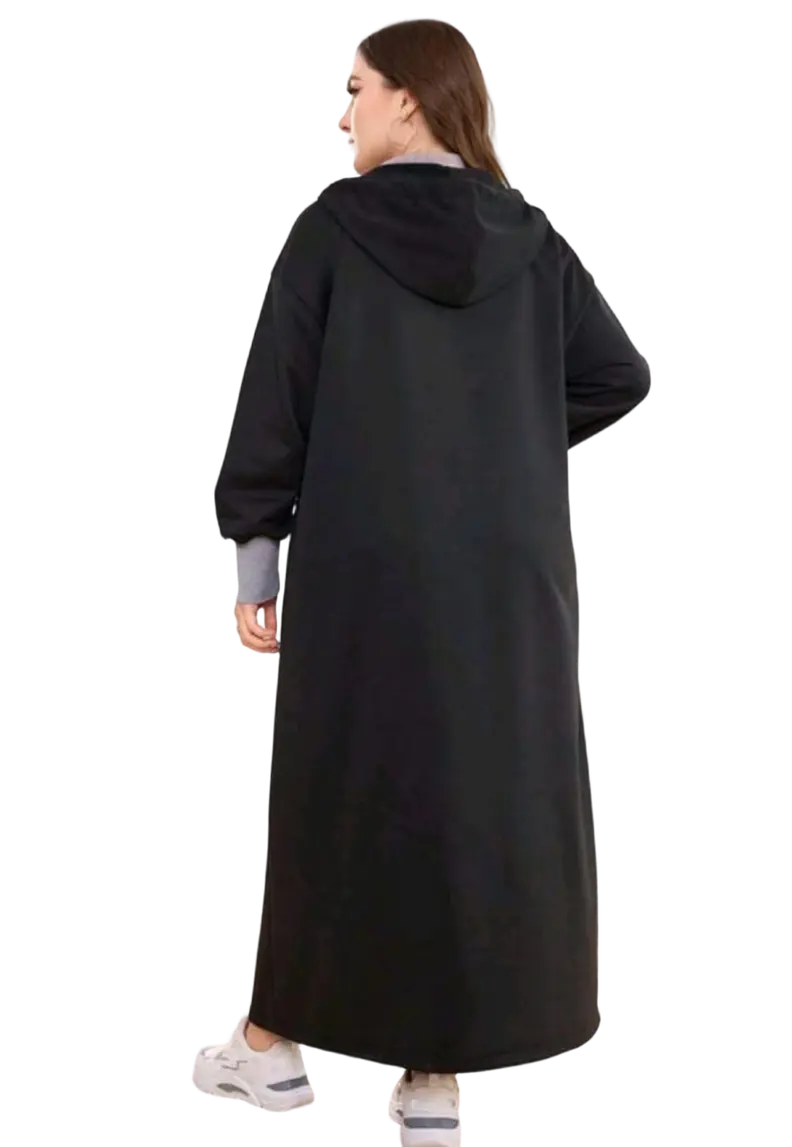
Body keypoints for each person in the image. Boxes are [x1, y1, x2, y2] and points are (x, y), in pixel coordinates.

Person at [201, 17, 649, 1142]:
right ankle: (434, 1076)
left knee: (341, 795)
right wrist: (500, 432)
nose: (342, 113)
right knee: (473, 801)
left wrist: (257, 559)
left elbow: (277, 408)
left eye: (355, 89)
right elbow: (618, 374)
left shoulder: (333, 230)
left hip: (361, 568)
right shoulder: (528, 239)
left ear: (409, 97)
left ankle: (273, 1049)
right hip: (507, 583)